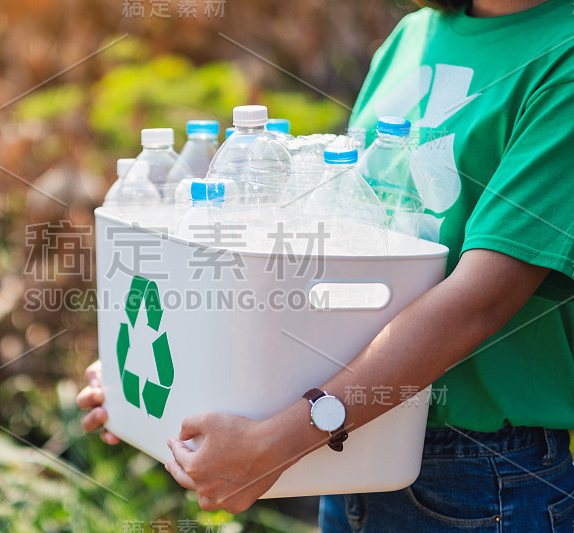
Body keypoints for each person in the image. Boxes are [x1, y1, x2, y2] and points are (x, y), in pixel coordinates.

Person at [78, 0, 574, 530]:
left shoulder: (561, 55)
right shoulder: (415, 35)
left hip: (476, 477)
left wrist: (279, 442)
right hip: (344, 448)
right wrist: (151, 374)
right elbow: (333, 264)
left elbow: (481, 299)